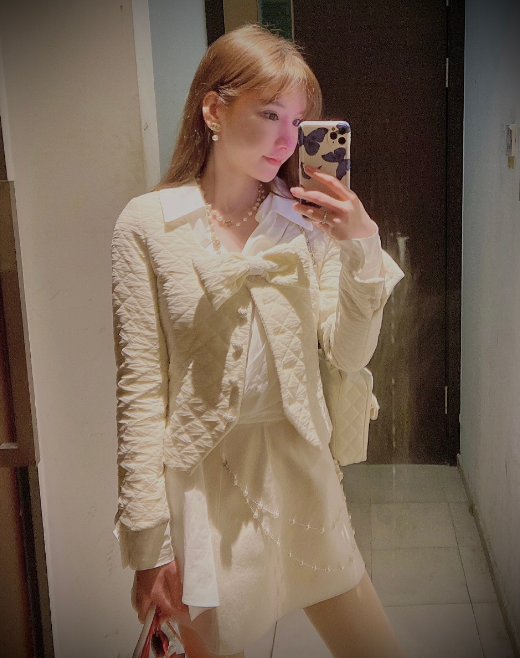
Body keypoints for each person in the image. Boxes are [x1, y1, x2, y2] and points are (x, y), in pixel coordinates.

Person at [112, 24, 405, 658]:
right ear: (213, 109)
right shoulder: (148, 225)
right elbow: (140, 389)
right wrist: (147, 543)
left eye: (297, 122)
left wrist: (360, 247)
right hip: (201, 489)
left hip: (300, 470)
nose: (285, 139)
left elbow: (349, 355)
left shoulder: (305, 222)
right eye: (269, 114)